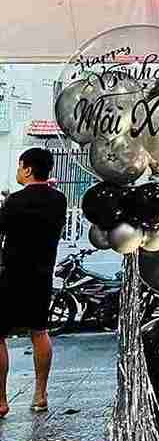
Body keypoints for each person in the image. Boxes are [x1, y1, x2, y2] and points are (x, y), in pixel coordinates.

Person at [0, 148, 68, 418]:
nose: (18, 171)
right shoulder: (59, 200)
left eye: (20, 167)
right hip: (42, 275)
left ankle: (1, 400)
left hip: (11, 275)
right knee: (39, 332)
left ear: (27, 169)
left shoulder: (14, 201)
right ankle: (40, 395)